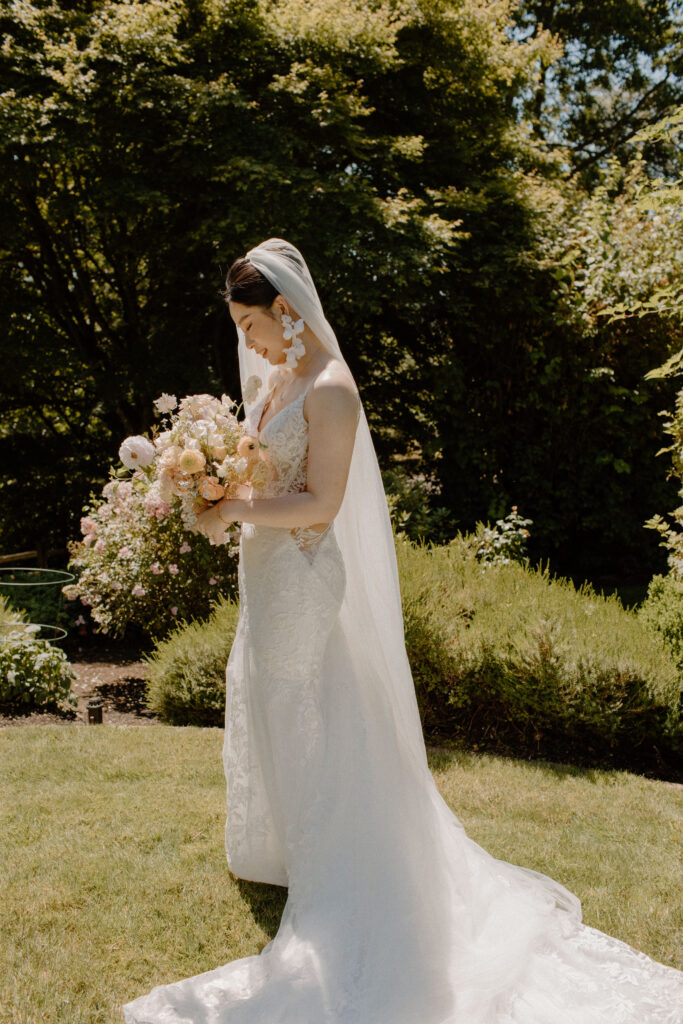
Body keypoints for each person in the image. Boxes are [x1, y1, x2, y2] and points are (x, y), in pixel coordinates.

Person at [122, 239, 682, 1023]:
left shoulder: (332, 389)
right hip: (268, 571)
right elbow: (264, 468)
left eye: (251, 324)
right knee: (279, 705)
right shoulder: (279, 375)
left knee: (316, 711)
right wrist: (211, 477)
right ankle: (289, 849)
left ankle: (346, 866)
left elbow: (319, 502)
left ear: (286, 310)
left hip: (307, 576)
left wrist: (230, 507)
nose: (245, 342)